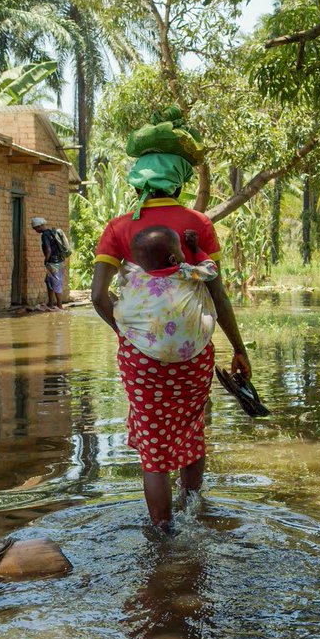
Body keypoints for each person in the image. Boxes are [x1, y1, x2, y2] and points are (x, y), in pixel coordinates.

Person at [90, 107, 250, 530]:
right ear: (179, 180)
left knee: (154, 448)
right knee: (191, 429)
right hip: (193, 354)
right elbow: (217, 294)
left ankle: (161, 534)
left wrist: (130, 334)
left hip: (141, 358)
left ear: (138, 181)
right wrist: (239, 348)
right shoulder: (198, 224)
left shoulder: (119, 228)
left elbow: (98, 297)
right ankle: (194, 509)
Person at [114, 227, 218, 364]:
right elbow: (211, 270)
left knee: (118, 307)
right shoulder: (184, 272)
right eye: (181, 249)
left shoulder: (137, 281)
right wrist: (196, 249)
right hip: (194, 349)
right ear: (173, 259)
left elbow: (123, 310)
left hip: (150, 353)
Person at [30, 217, 65, 310]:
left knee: (56, 283)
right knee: (49, 281)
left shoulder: (45, 235)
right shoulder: (51, 232)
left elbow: (48, 250)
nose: (36, 230)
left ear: (39, 226)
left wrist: (46, 260)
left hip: (53, 263)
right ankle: (50, 303)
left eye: (35, 228)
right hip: (59, 261)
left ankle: (60, 306)